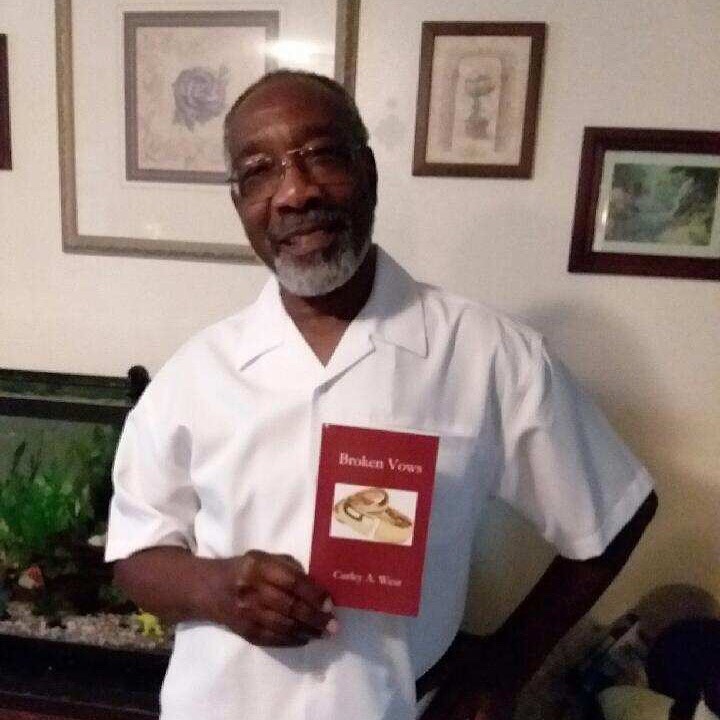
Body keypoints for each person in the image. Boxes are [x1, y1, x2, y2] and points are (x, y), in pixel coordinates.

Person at [105, 69, 658, 720]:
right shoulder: (195, 375)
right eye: (259, 171)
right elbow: (135, 555)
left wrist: (504, 667)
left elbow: (615, 514)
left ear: (367, 171)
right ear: (240, 203)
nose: (295, 191)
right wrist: (216, 588)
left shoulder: (486, 356)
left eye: (321, 154)